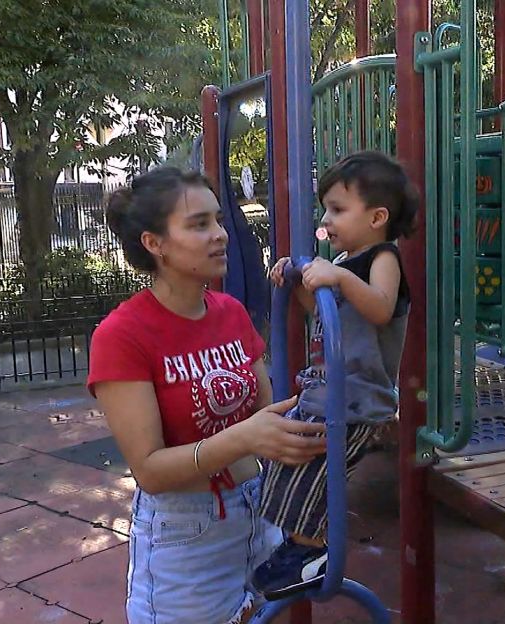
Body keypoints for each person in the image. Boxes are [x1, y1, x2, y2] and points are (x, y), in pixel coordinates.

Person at [87, 167, 327, 624]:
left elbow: (266, 411)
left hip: (259, 510)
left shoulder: (230, 313)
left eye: (217, 220)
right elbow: (151, 470)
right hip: (185, 532)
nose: (220, 235)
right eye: (199, 225)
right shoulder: (122, 335)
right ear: (154, 243)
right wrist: (247, 439)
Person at [252, 151, 418, 599]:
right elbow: (324, 316)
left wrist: (337, 279)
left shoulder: (383, 257)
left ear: (377, 217)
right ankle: (298, 547)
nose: (327, 219)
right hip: (328, 389)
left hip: (359, 397)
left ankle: (314, 553)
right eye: (326, 208)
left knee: (312, 469)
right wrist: (298, 281)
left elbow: (381, 308)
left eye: (338, 209)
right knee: (283, 456)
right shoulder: (344, 264)